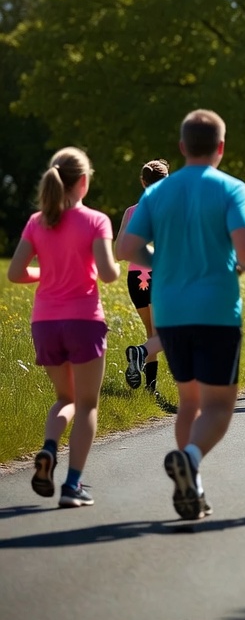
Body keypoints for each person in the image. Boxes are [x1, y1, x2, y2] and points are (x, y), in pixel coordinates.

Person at [118, 109, 245, 520]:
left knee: (188, 402)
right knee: (218, 406)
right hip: (216, 308)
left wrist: (159, 263)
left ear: (182, 148)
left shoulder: (155, 194)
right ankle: (192, 460)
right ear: (220, 147)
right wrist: (231, 266)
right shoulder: (231, 188)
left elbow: (127, 248)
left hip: (172, 311)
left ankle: (192, 486)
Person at [8, 148, 121, 508]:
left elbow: (14, 273)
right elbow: (106, 272)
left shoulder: (36, 221)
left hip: (45, 322)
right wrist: (116, 268)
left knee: (64, 398)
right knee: (87, 403)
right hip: (83, 320)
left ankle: (48, 449)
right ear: (84, 181)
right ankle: (72, 485)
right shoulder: (96, 221)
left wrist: (47, 273)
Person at [116, 159, 170, 393]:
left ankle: (151, 390)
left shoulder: (130, 212)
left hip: (135, 278)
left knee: (152, 333)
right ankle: (138, 353)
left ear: (142, 181)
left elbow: (119, 253)